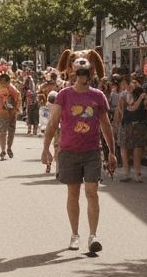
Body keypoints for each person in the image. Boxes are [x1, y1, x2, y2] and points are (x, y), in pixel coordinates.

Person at [41, 64, 117, 256]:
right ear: (74, 75)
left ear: (92, 74)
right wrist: (46, 148)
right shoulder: (64, 95)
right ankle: (75, 234)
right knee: (73, 193)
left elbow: (106, 125)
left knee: (92, 192)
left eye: (87, 73)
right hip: (69, 151)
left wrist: (111, 152)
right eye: (80, 73)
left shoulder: (98, 96)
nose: (84, 77)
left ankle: (93, 236)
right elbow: (53, 122)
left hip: (92, 151)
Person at [116, 76, 147, 183]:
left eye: (135, 85)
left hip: (139, 126)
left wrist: (145, 97)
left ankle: (137, 173)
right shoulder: (123, 96)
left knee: (137, 150)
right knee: (124, 149)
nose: (132, 87)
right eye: (131, 85)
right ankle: (126, 173)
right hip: (126, 125)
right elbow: (126, 109)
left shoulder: (142, 97)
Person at [0, 72, 21, 160]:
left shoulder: (5, 88)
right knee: (5, 131)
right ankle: (5, 149)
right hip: (3, 112)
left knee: (5, 131)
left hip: (6, 112)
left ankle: (6, 149)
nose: (3, 84)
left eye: (4, 82)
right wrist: (16, 109)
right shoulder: (9, 88)